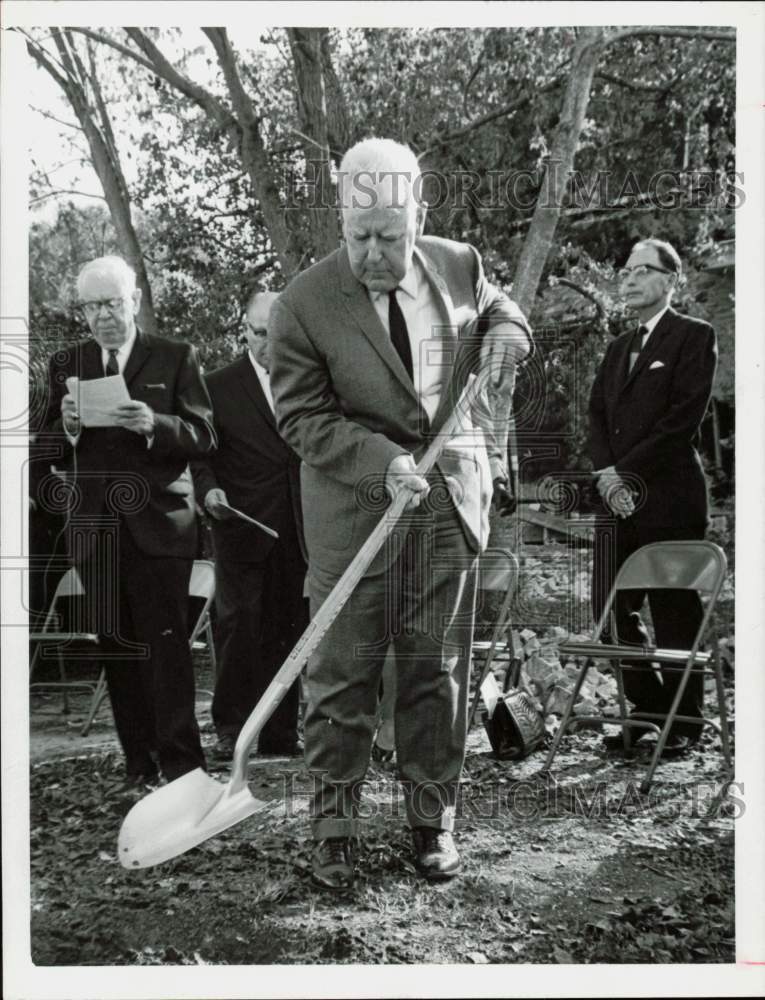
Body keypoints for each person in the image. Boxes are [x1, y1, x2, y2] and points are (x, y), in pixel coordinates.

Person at [269, 138, 531, 889]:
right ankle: (334, 833)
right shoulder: (303, 304)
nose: (374, 253)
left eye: (390, 235)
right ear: (340, 218)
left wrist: (510, 331)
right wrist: (380, 462)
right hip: (355, 514)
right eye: (358, 236)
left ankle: (431, 825)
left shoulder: (458, 263)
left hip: (447, 505)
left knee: (434, 675)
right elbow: (302, 420)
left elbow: (497, 307)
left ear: (419, 215)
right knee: (342, 678)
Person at [39, 255, 216, 787]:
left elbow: (205, 436)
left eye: (111, 304)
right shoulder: (67, 364)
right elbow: (45, 448)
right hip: (96, 532)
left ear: (133, 300)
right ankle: (138, 766)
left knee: (166, 650)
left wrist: (154, 424)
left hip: (160, 529)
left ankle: (184, 770)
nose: (102, 317)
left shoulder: (175, 356)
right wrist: (67, 429)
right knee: (117, 652)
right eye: (91, 307)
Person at [588, 237, 718, 757]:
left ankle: (683, 726)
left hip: (668, 499)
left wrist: (625, 472)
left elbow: (681, 420)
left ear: (671, 280)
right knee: (607, 607)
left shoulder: (694, 336)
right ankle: (646, 710)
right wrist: (605, 474)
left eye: (642, 270)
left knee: (673, 611)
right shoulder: (618, 347)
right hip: (615, 501)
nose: (630, 278)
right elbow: (596, 415)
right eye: (626, 270)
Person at [192, 290, 307, 762]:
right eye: (260, 334)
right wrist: (208, 492)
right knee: (238, 629)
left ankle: (281, 732)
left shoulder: (304, 380)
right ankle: (231, 729)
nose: (269, 344)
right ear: (244, 329)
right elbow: (200, 456)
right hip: (240, 527)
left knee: (288, 629)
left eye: (277, 335)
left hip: (296, 527)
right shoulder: (216, 385)